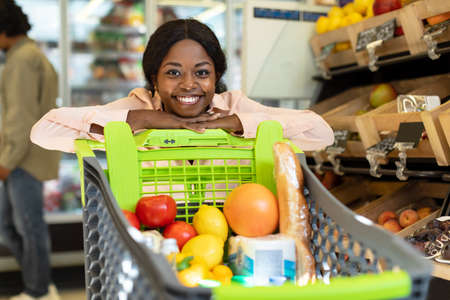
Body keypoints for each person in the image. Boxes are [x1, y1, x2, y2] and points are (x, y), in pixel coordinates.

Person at [31, 18, 333, 154]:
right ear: (154, 79)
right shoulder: (138, 108)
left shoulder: (233, 106)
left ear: (216, 76)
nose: (189, 85)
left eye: (202, 73)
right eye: (173, 73)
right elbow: (44, 131)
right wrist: (149, 120)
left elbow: (320, 133)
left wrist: (232, 123)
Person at [0, 1, 61, 299]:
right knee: (14, 224)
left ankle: (38, 290)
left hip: (22, 158)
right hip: (24, 155)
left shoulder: (21, 59)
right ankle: (39, 284)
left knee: (26, 226)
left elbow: (20, 116)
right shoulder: (30, 54)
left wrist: (7, 160)